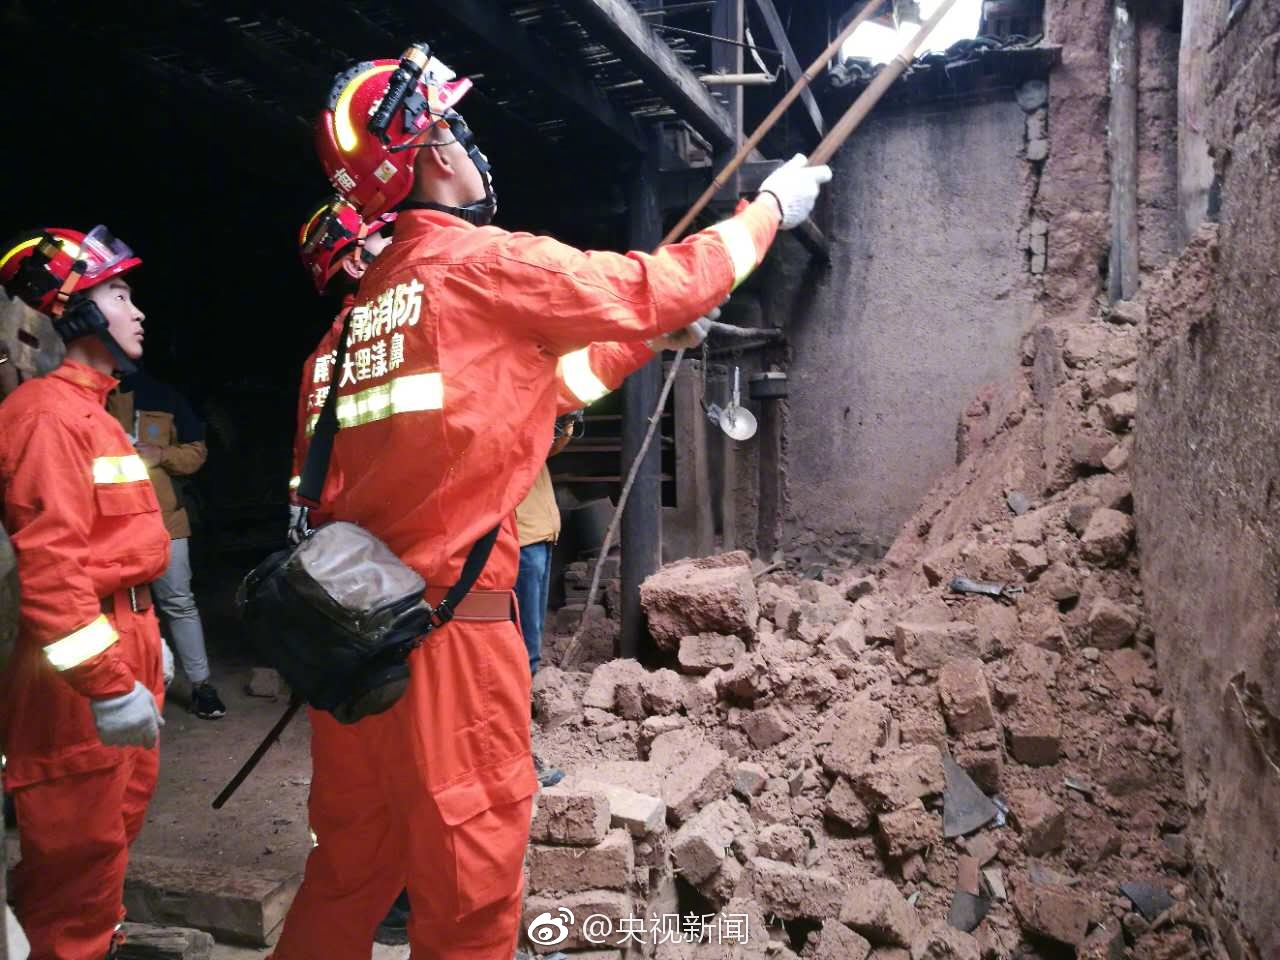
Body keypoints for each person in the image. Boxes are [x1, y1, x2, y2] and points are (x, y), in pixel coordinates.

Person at [268, 46, 830, 960]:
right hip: (452, 641)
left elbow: (536, 386)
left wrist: (642, 340)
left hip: (351, 650)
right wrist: (764, 215)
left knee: (348, 874)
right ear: (434, 154)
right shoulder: (482, 268)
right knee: (472, 894)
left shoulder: (346, 330)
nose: (471, 147)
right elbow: (656, 282)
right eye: (455, 126)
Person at [0, 226, 170, 960]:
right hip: (77, 668)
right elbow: (53, 570)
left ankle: (96, 942)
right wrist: (104, 681)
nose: (136, 311)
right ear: (77, 310)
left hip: (120, 638)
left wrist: (146, 636)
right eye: (119, 292)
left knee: (108, 837)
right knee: (76, 847)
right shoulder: (45, 415)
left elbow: (109, 552)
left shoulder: (91, 415)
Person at [107, 369, 225, 719]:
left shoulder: (163, 395)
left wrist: (161, 454)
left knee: (178, 603)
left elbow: (196, 452)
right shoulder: (93, 399)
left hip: (165, 523)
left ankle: (202, 687)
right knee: (121, 610)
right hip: (113, 526)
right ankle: (126, 694)